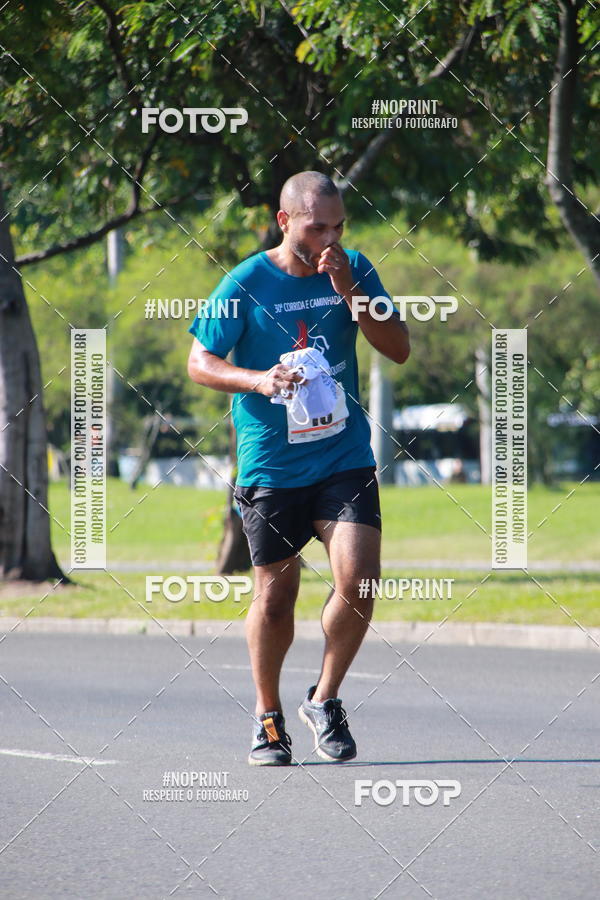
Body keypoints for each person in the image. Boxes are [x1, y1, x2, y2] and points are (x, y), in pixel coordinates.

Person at [187, 171, 410, 765]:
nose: (330, 238)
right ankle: (268, 718)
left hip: (343, 457)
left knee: (360, 580)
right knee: (275, 598)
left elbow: (398, 346)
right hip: (272, 464)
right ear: (285, 222)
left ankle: (325, 698)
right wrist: (257, 379)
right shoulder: (246, 281)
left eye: (339, 226)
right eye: (318, 227)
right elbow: (200, 361)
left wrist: (352, 292)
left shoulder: (354, 267)